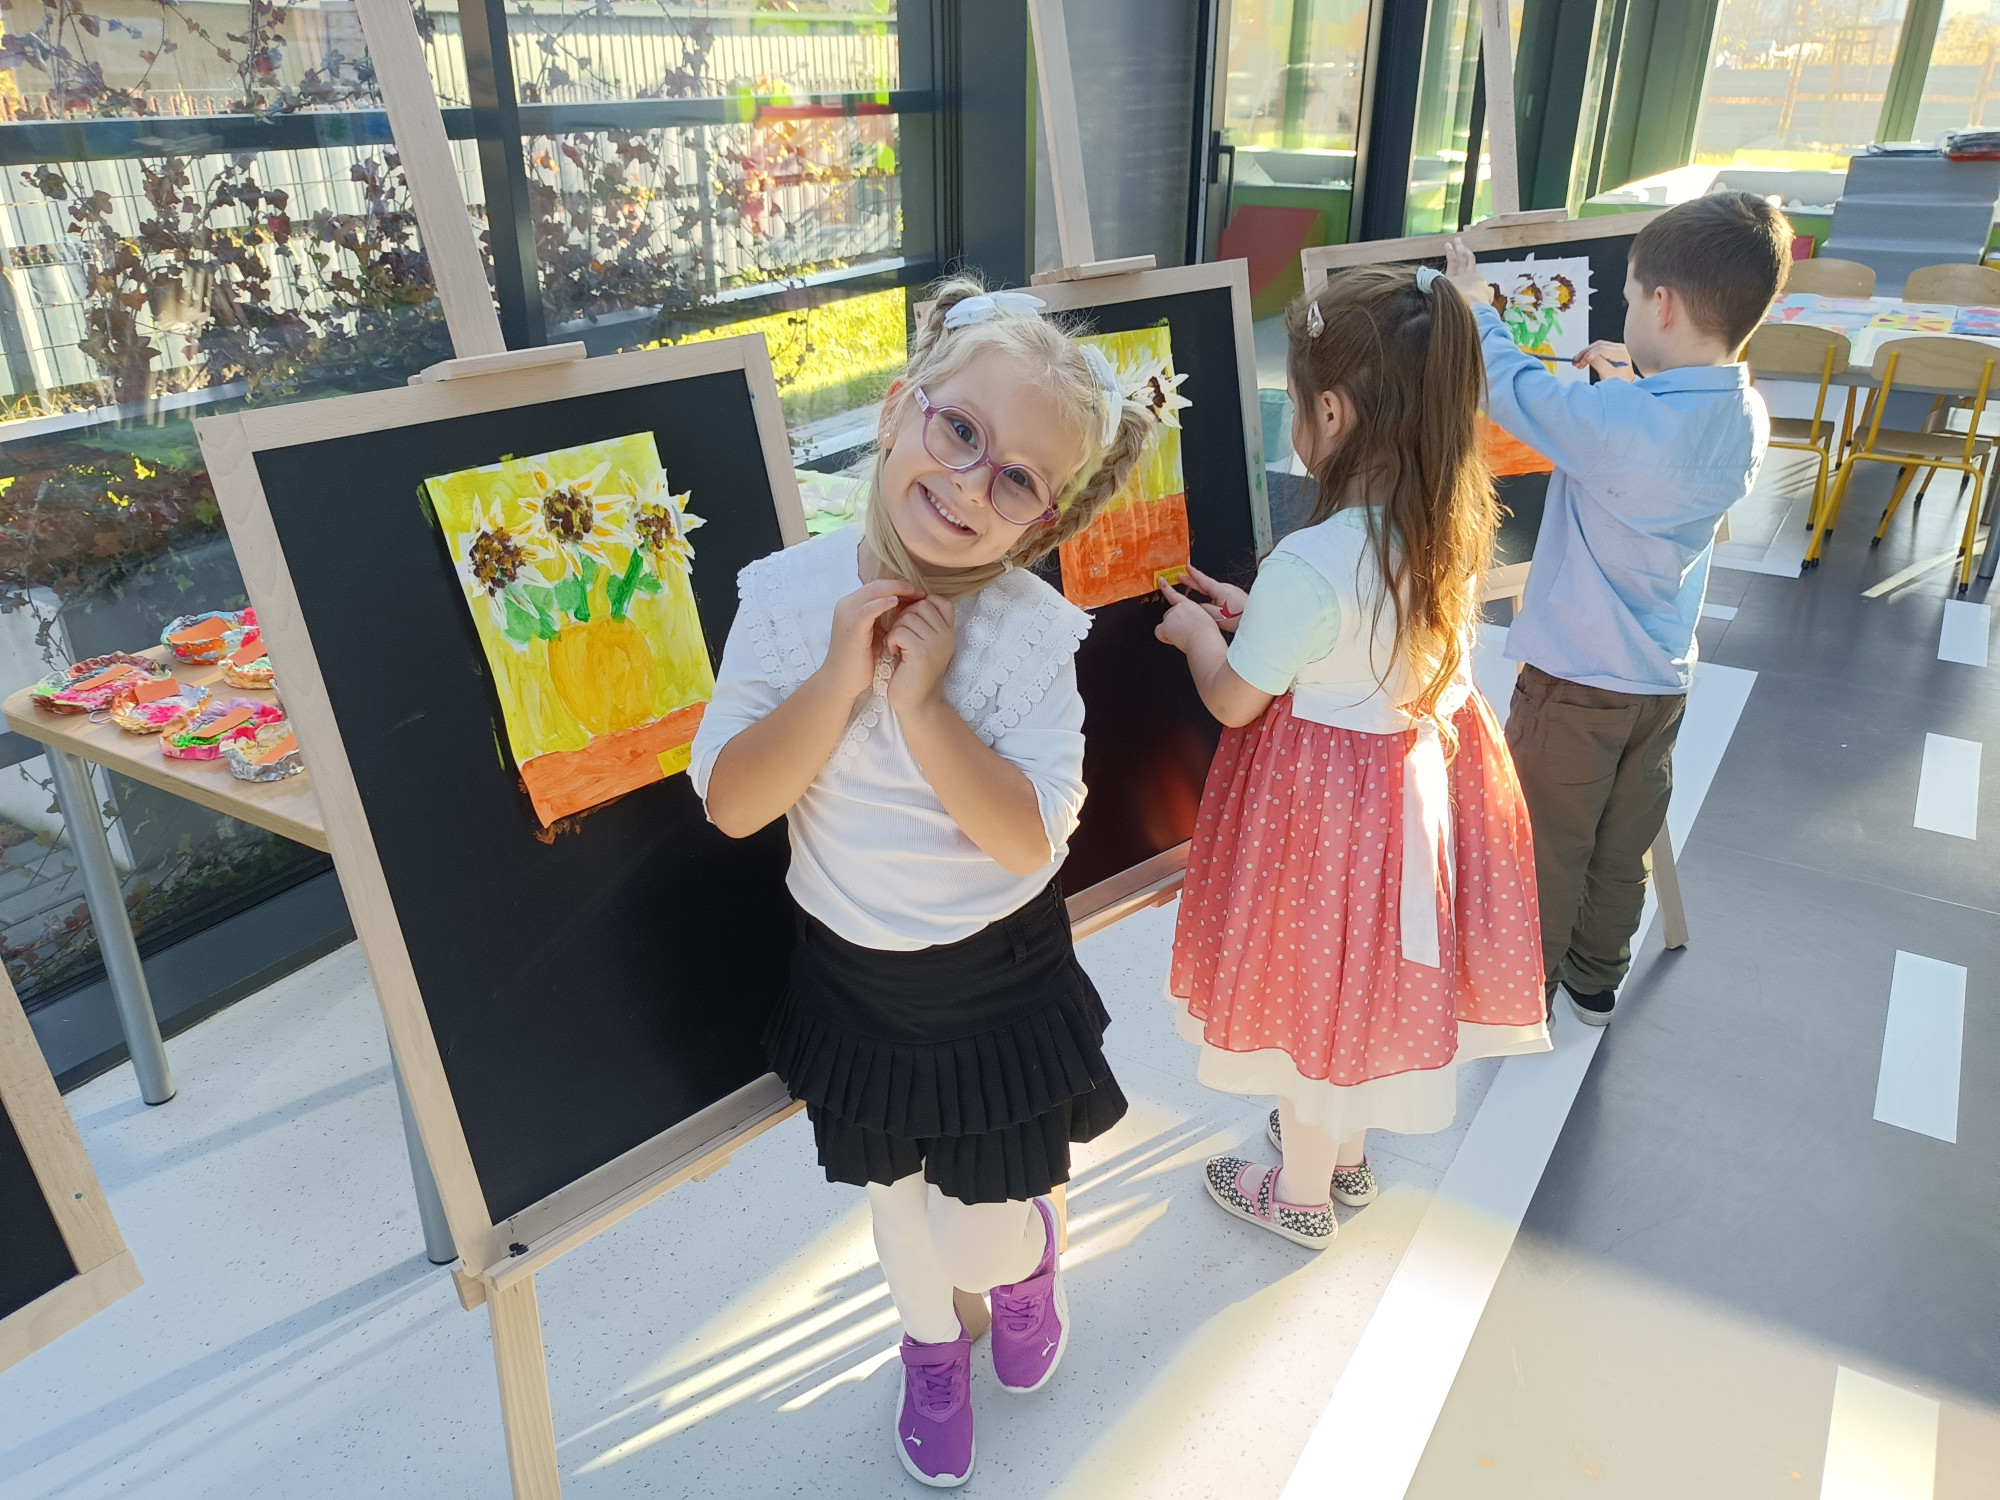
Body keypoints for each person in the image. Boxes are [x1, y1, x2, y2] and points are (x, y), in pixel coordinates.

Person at [689, 274, 1155, 1488]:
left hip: (997, 983)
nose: (968, 483)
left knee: (979, 1232)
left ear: (1036, 529)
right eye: (958, 431)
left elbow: (1026, 840)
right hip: (857, 984)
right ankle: (928, 1348)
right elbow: (733, 802)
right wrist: (838, 680)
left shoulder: (1029, 634)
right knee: (896, 1211)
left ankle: (1024, 1261)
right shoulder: (784, 600)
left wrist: (922, 707)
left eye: (1016, 479)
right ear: (898, 408)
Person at [1154, 264, 1549, 1252]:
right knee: (1364, 990)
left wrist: (1201, 638)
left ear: (1329, 412)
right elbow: (1364, 652)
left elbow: (1234, 699)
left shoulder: (1310, 559)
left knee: (1310, 1000)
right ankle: (1346, 1159)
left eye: (1296, 401)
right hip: (1402, 818)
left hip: (1320, 829)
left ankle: (1296, 1193)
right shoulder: (1444, 535)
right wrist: (1264, 622)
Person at [1441, 192, 1789, 1026]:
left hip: (1576, 681)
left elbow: (1514, 388)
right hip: (1660, 683)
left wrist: (1476, 307)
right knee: (1622, 841)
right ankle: (1596, 981)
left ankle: (1522, 989)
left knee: (1545, 840)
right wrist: (1641, 385)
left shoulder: (1615, 423)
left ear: (1661, 305)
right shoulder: (1745, 415)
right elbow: (1662, 440)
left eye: (1629, 299)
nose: (1624, 315)